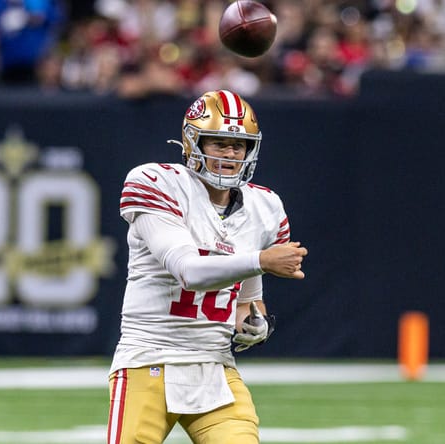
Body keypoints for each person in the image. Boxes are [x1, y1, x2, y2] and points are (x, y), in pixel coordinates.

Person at [108, 89, 308, 443]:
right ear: (192, 142)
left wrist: (253, 323)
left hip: (214, 365)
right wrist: (262, 260)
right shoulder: (157, 183)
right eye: (219, 143)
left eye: (239, 145)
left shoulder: (264, 207)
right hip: (149, 359)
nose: (230, 154)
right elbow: (189, 270)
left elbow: (247, 301)